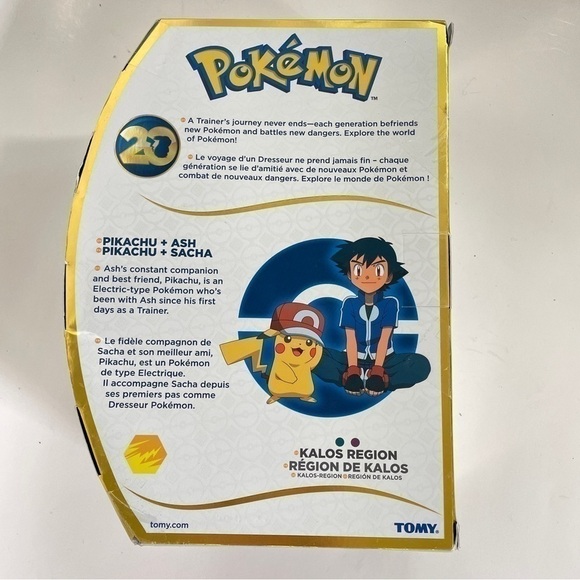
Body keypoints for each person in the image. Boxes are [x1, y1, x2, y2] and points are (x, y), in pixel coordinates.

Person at [313, 237, 430, 396]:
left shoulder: (390, 304)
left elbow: (384, 338)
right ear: (350, 274)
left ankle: (383, 380)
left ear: (388, 276)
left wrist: (378, 370)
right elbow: (351, 339)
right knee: (315, 355)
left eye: (377, 270)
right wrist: (352, 369)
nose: (367, 277)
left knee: (420, 365)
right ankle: (350, 378)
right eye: (359, 270)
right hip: (352, 359)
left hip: (386, 361)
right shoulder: (350, 304)